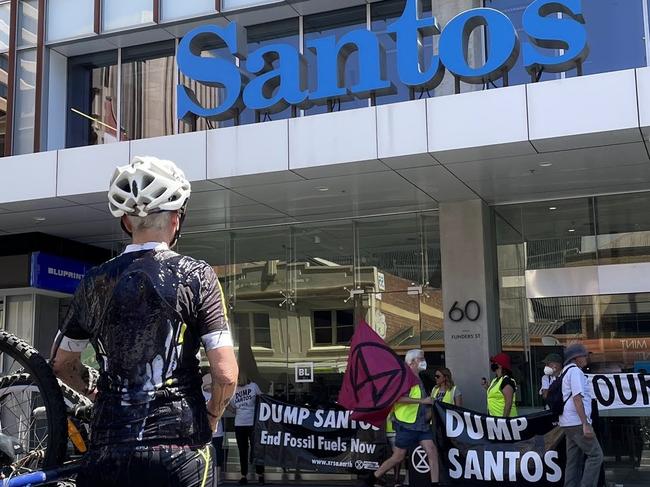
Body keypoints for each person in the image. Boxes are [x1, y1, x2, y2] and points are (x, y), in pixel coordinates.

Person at [51, 156, 239, 487]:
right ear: (177, 220)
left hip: (107, 449)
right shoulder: (198, 276)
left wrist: (94, 392)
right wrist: (211, 417)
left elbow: (62, 364)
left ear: (126, 221)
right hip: (180, 447)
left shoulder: (94, 281)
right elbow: (225, 374)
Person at [364, 349, 439, 487]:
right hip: (406, 425)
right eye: (421, 359)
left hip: (421, 425)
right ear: (412, 362)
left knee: (432, 451)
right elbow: (397, 399)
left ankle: (435, 484)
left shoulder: (418, 378)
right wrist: (423, 401)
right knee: (398, 456)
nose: (423, 361)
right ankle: (372, 477)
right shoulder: (404, 378)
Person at [560, 343, 604, 487]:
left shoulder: (563, 372)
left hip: (567, 423)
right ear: (576, 357)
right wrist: (585, 424)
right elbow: (577, 398)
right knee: (596, 455)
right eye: (585, 355)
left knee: (573, 460)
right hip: (578, 422)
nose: (586, 358)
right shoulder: (575, 372)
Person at [231, 374, 265, 485]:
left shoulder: (253, 386)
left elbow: (263, 400)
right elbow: (228, 404)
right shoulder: (234, 389)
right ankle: (243, 475)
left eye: (238, 378)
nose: (237, 381)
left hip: (253, 423)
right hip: (240, 424)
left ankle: (260, 474)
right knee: (242, 450)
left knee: (257, 449)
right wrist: (234, 410)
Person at [485, 352, 518, 417]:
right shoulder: (495, 380)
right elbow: (497, 394)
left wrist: (504, 421)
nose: (492, 364)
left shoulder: (507, 381)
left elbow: (508, 403)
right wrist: (487, 387)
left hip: (505, 421)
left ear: (500, 365)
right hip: (495, 420)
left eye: (494, 362)